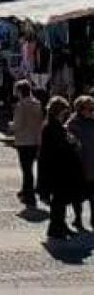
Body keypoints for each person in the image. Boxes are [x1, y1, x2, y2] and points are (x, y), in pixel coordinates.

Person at [38, 96, 84, 239]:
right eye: (64, 112)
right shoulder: (52, 127)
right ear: (59, 112)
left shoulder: (54, 126)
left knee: (60, 201)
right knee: (58, 201)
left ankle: (61, 225)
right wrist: (72, 143)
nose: (66, 115)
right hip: (57, 170)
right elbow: (59, 148)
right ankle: (56, 228)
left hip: (57, 169)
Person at [11, 79, 44, 208]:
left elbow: (18, 124)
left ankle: (28, 193)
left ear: (20, 91)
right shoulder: (37, 104)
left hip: (24, 140)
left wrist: (11, 126)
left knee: (26, 169)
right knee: (30, 167)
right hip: (35, 140)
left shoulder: (21, 106)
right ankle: (25, 190)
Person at [66, 95, 94, 232]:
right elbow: (70, 143)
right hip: (79, 166)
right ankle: (78, 219)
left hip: (92, 165)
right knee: (78, 196)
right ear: (81, 109)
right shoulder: (73, 123)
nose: (92, 111)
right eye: (89, 108)